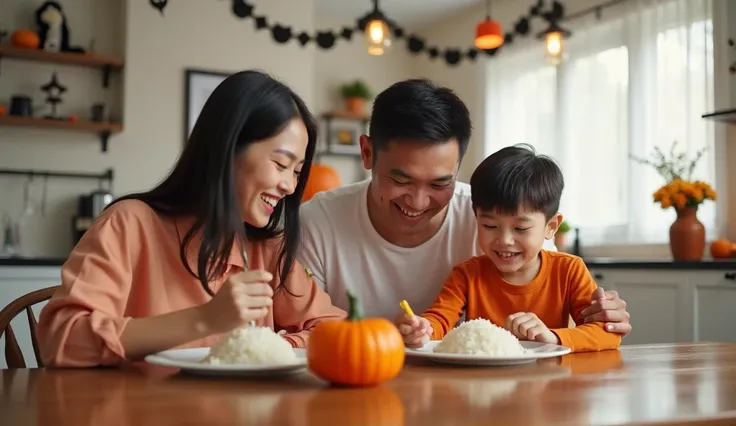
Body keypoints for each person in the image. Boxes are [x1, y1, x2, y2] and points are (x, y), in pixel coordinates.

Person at [36, 70, 347, 368]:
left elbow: (334, 330)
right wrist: (205, 319)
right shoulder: (130, 224)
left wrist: (270, 349)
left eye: (296, 171)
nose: (291, 186)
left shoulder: (266, 248)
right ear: (227, 150)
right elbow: (62, 338)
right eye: (280, 164)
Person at [298, 78, 631, 334]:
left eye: (440, 183)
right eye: (401, 180)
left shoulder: (489, 217)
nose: (417, 201)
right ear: (367, 153)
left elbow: (549, 296)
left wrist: (601, 316)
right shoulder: (318, 222)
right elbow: (304, 330)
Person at [395, 144, 621, 353]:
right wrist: (423, 329)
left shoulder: (569, 270)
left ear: (550, 227)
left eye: (520, 229)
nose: (504, 240)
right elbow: (440, 319)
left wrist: (552, 337)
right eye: (489, 225)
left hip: (550, 385)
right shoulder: (468, 274)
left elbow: (607, 333)